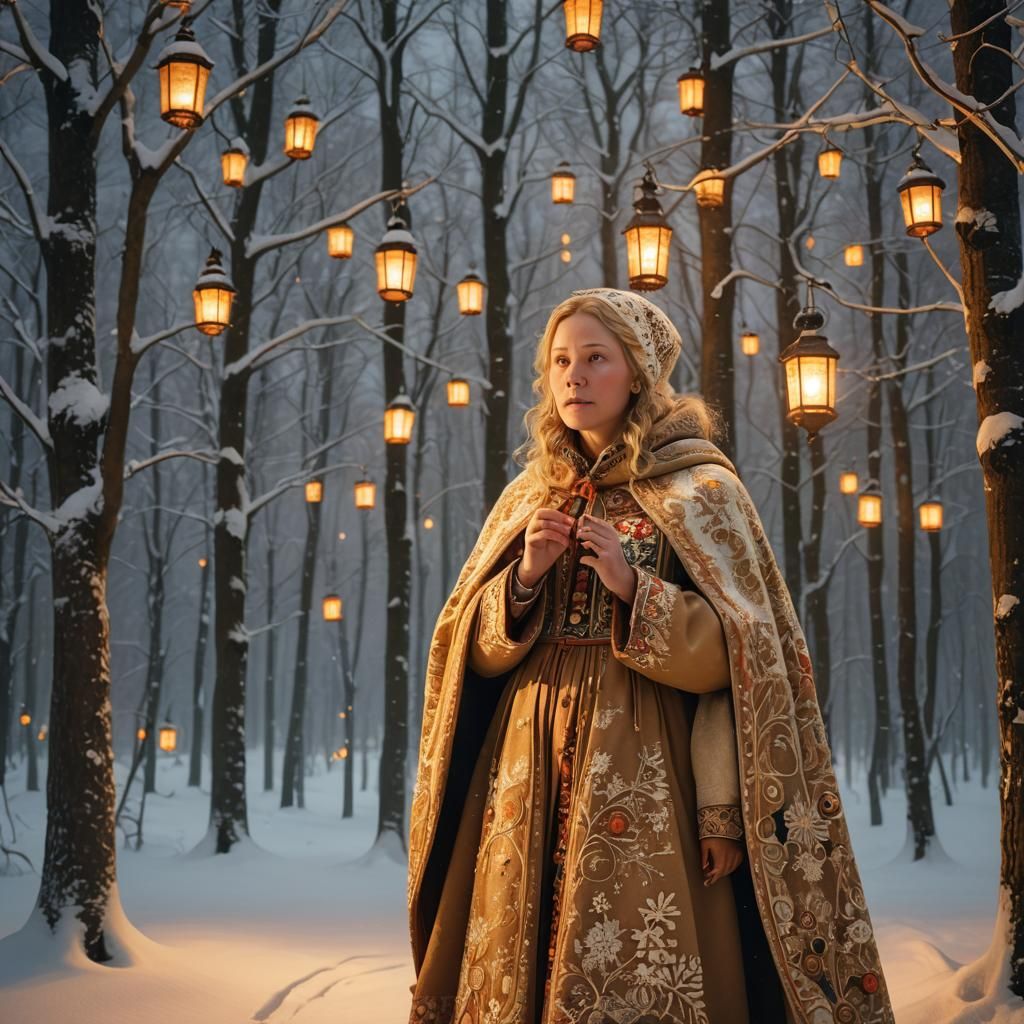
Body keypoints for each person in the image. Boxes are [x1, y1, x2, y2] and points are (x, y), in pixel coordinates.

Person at [407, 289, 893, 1024]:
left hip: (646, 765)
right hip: (522, 766)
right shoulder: (526, 496)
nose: (574, 375)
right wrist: (526, 578)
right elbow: (468, 654)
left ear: (636, 373)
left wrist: (636, 589)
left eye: (595, 359)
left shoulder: (703, 489)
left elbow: (745, 657)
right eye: (561, 361)